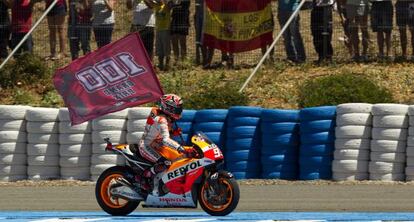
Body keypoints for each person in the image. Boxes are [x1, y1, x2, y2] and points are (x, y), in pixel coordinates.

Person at [135, 94, 197, 189]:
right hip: (146, 146)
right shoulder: (161, 119)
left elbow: (159, 133)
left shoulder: (165, 118)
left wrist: (173, 132)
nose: (180, 111)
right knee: (166, 163)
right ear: (169, 109)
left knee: (177, 158)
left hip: (157, 146)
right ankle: (142, 178)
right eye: (177, 108)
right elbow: (165, 140)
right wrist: (182, 149)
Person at [146, 0, 172, 71]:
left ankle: (167, 64)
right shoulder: (156, 6)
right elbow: (150, 2)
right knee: (159, 48)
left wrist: (165, 2)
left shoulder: (166, 6)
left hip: (166, 29)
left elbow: (169, 4)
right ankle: (160, 64)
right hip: (158, 29)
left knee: (166, 48)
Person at [170, 0, 190, 65]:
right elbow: (169, 5)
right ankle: (176, 60)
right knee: (174, 41)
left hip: (183, 20)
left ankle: (184, 61)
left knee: (182, 42)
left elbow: (185, 6)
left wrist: (174, 5)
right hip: (174, 21)